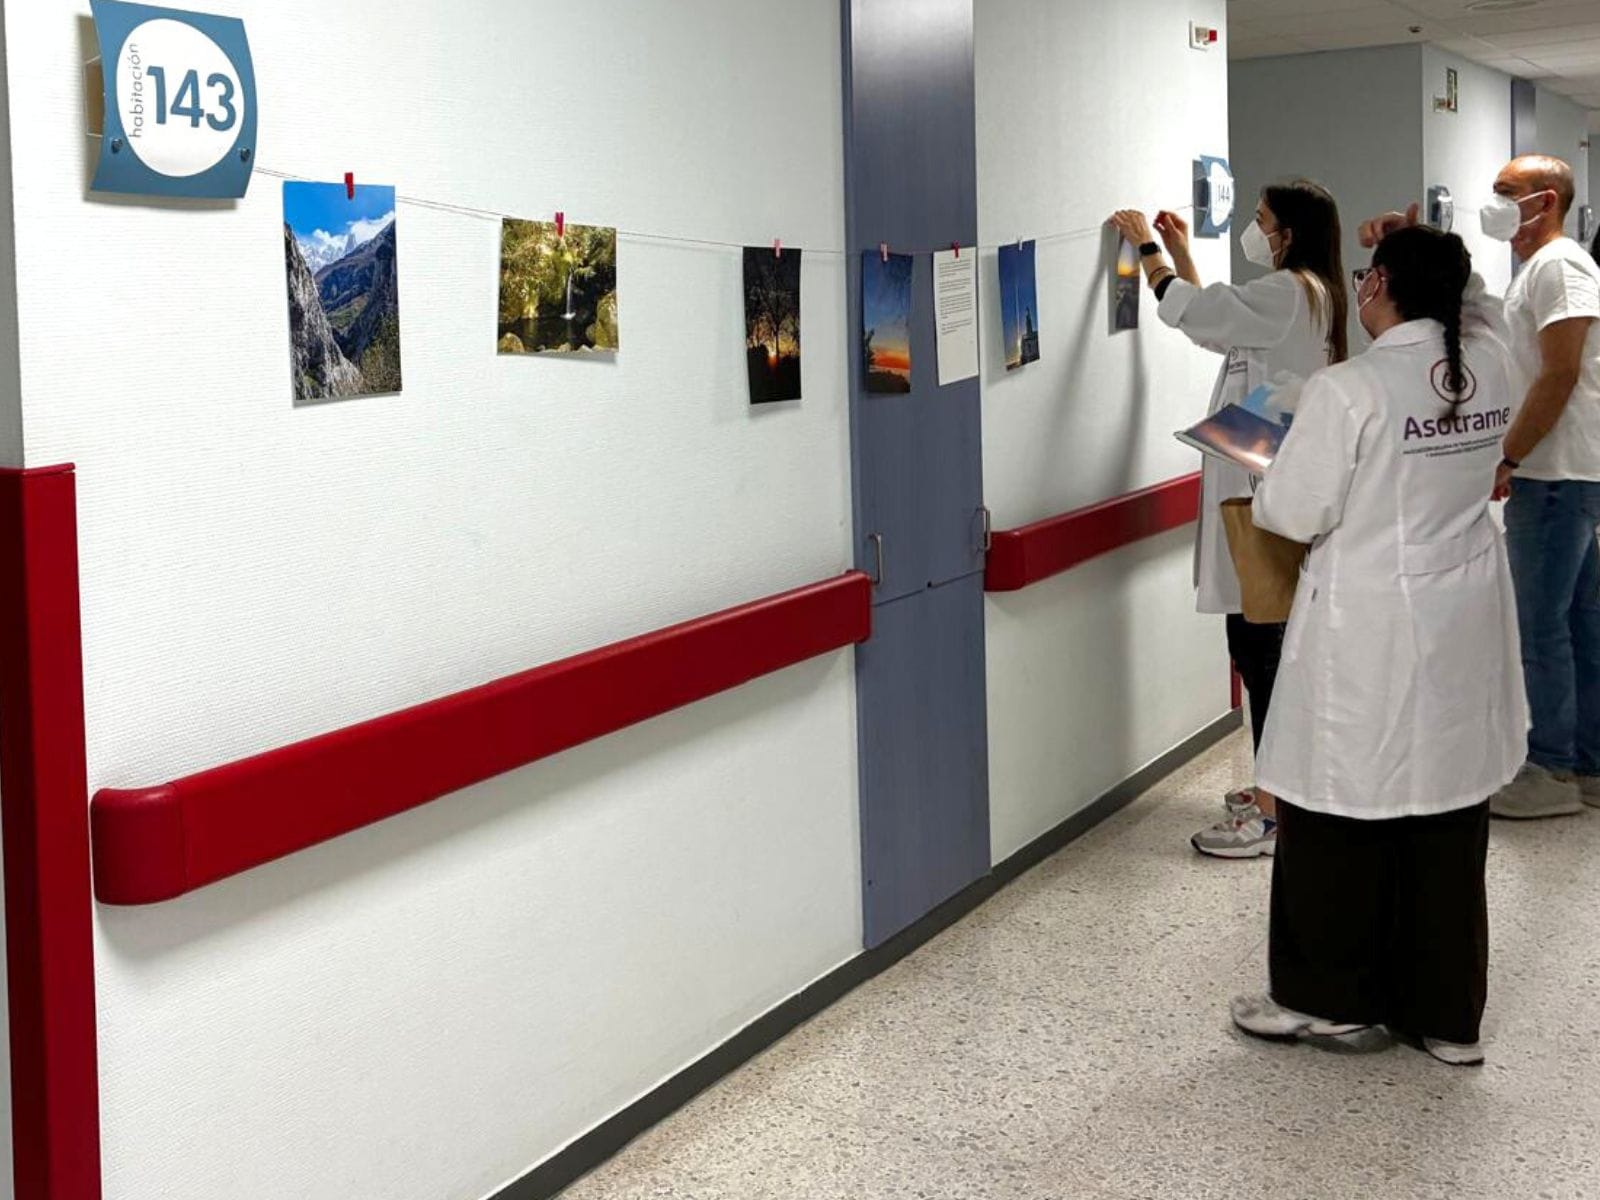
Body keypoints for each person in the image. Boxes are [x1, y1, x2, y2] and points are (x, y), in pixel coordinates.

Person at [1230, 226, 1526, 1066]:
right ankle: (1443, 1015)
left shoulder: (1350, 388)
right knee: (1446, 805)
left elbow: (1292, 514)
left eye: (1367, 276)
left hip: (1369, 624)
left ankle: (1330, 1002)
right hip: (1460, 615)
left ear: (1380, 285)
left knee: (1335, 806)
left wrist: (1264, 462)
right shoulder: (1493, 364)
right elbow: (1486, 318)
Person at [1109, 181, 1347, 859]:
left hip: (1263, 502)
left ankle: (1273, 813)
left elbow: (1194, 312)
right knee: (1261, 648)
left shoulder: (1290, 292)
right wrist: (1185, 254)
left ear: (1289, 233)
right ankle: (1281, 791)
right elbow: (1222, 330)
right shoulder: (1306, 296)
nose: (1254, 229)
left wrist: (1149, 250)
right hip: (1269, 493)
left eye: (1261, 221)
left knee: (1260, 651)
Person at [1472, 156, 1600, 820]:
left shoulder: (1561, 266)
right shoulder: (1536, 272)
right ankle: (1585, 763)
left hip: (1553, 474)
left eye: (1506, 193)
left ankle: (1549, 768)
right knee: (1579, 620)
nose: (1494, 202)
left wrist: (1511, 456)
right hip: (1564, 473)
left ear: (1544, 201)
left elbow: (1561, 372)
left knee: (1540, 626)